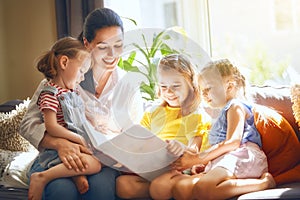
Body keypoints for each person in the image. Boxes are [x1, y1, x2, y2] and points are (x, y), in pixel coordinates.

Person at [20, 8, 130, 200]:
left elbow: (130, 132)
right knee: (61, 190)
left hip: (99, 159)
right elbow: (28, 124)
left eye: (118, 45)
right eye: (103, 47)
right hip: (57, 157)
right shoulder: (60, 80)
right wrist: (60, 144)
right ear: (87, 44)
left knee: (100, 189)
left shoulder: (126, 85)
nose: (112, 54)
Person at [171, 59, 276, 200]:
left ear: (229, 86)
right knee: (181, 187)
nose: (204, 95)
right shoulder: (221, 114)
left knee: (203, 188)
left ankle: (263, 184)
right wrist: (207, 164)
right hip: (226, 159)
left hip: (242, 155)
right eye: (202, 91)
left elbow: (233, 142)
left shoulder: (235, 106)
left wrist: (196, 159)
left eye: (208, 88)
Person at [116, 54, 211, 199]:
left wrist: (181, 148)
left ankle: (169, 189)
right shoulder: (153, 113)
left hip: (180, 169)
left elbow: (194, 150)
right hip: (154, 168)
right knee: (123, 185)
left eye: (176, 86)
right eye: (163, 86)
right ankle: (165, 191)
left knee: (159, 186)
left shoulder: (194, 115)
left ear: (191, 85)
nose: (169, 92)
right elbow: (140, 139)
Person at [27, 36, 102, 200]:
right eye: (81, 71)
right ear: (64, 63)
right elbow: (51, 126)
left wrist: (93, 124)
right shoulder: (49, 92)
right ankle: (42, 177)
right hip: (56, 151)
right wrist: (77, 139)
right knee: (94, 165)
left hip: (76, 144)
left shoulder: (72, 93)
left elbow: (80, 116)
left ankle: (75, 175)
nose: (82, 78)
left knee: (96, 164)